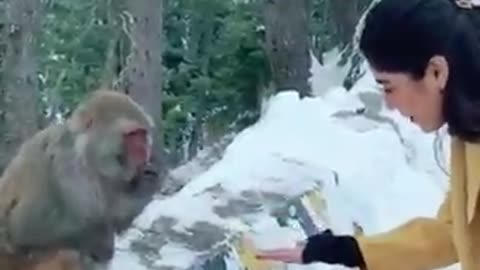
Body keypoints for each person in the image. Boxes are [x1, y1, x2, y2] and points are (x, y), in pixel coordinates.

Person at [255, 0, 480, 269]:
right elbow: (455, 234)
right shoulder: (469, 134)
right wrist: (347, 251)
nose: (389, 105)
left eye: (389, 87)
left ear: (436, 72)